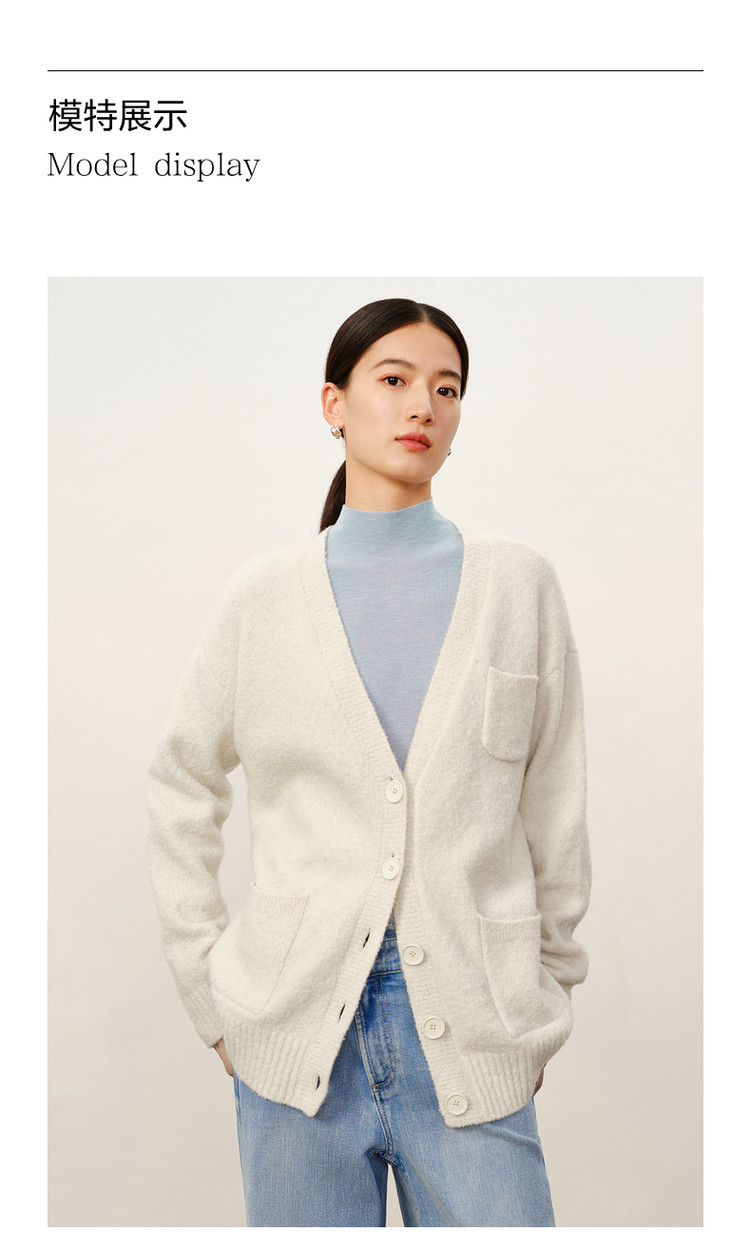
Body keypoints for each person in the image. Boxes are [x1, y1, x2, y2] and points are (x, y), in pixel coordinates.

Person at [146, 297, 591, 1227]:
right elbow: (182, 783)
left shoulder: (518, 586)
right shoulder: (264, 599)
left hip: (478, 1021)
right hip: (292, 1029)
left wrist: (543, 993)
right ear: (334, 403)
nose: (422, 405)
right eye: (394, 379)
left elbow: (555, 805)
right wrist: (210, 994)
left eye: (447, 388)